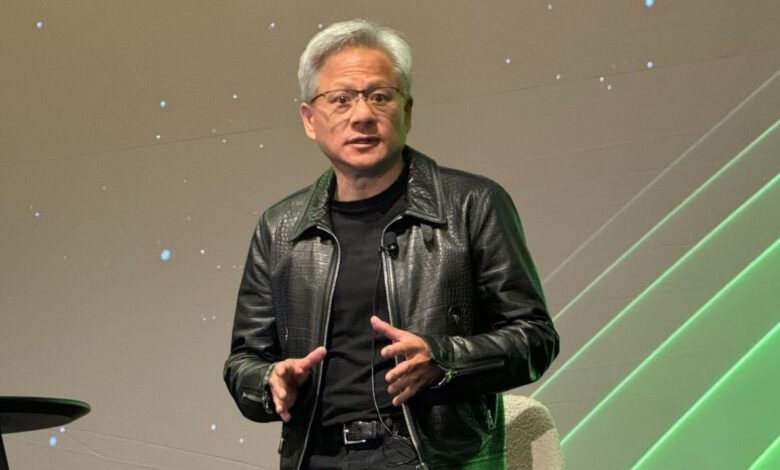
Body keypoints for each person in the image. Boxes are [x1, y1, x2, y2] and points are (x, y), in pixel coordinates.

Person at [224, 19, 559, 470]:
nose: (362, 114)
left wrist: (442, 360)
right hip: (317, 457)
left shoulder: (471, 204)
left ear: (408, 111)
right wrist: (270, 381)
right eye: (341, 99)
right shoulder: (280, 228)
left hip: (433, 459)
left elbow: (534, 338)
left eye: (380, 96)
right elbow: (244, 360)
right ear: (309, 119)